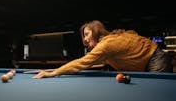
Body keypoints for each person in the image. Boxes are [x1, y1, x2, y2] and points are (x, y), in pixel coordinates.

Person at [33, 20, 172, 79]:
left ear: (96, 31)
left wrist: (53, 73)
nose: (85, 39)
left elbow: (82, 62)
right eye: (83, 36)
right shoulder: (109, 42)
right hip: (149, 59)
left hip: (155, 58)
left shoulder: (106, 45)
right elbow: (132, 35)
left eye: (87, 34)